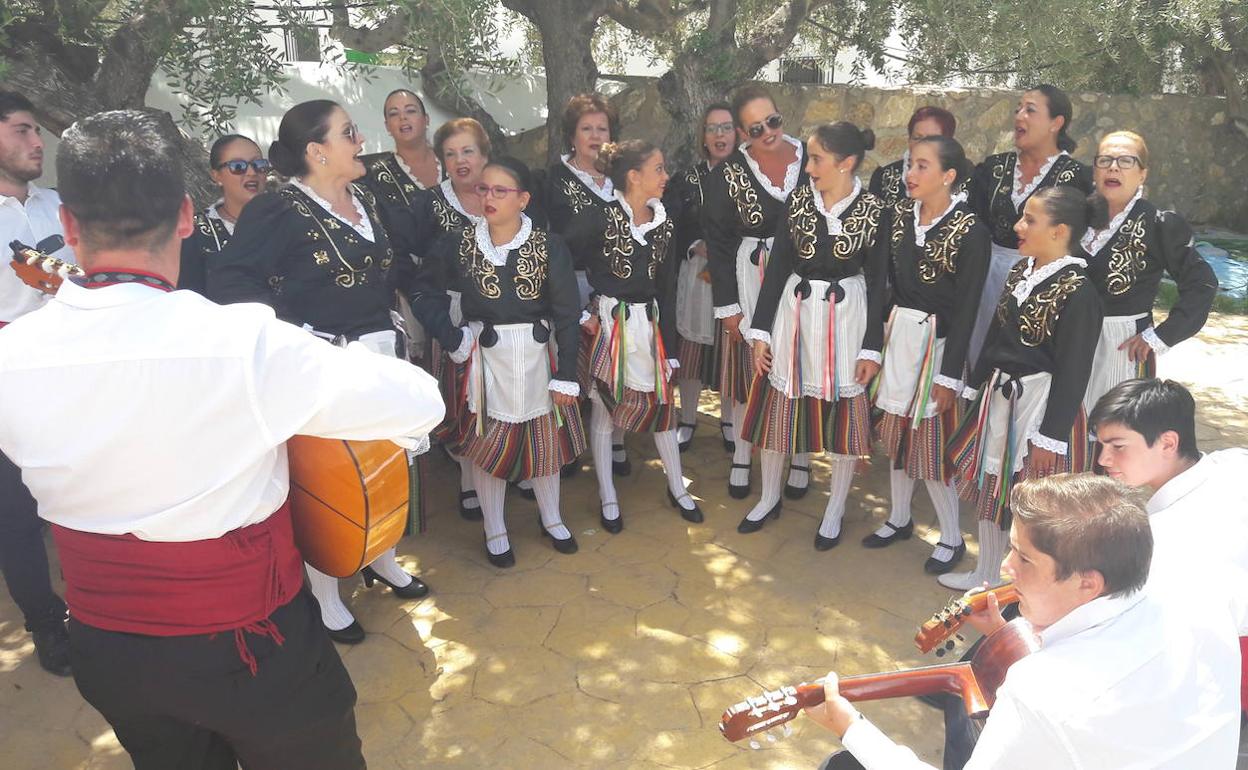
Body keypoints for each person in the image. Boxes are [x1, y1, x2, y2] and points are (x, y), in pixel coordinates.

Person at [0, 109, 445, 769]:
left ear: (67, 225)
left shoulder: (13, 357)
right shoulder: (245, 345)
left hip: (109, 652)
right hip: (253, 651)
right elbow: (421, 404)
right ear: (186, 216)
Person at [805, 474, 1242, 769]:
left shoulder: (1041, 694)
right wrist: (1004, 634)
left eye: (1025, 558)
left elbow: (1067, 695)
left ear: (1088, 584)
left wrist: (851, 728)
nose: (1007, 568)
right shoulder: (1199, 606)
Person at [208, 99, 433, 644]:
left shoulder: (366, 197)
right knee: (330, 479)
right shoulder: (279, 210)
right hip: (321, 369)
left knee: (382, 468)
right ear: (316, 150)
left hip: (379, 356)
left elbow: (391, 268)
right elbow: (232, 283)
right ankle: (326, 591)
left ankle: (381, 557)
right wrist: (295, 339)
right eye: (348, 133)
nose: (360, 140)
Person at [412, 157, 585, 567]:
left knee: (543, 441)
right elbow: (425, 291)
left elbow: (566, 314)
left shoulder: (547, 246)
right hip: (486, 359)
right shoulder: (459, 242)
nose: (488, 197)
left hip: (538, 358)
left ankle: (552, 517)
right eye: (483, 189)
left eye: (500, 191)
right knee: (487, 442)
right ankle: (495, 528)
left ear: (523, 199)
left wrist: (566, 376)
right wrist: (452, 336)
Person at [941, 186, 1104, 590]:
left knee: (1034, 504)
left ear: (1059, 231)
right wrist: (975, 386)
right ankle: (986, 574)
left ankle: (1026, 588)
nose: (1018, 226)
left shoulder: (1079, 292)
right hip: (1002, 397)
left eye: (1030, 219)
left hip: (1040, 407)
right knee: (991, 484)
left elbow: (1074, 370)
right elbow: (996, 337)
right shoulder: (1021, 271)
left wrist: (1051, 437)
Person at [740, 122, 888, 545]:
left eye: (817, 159)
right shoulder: (799, 201)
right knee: (779, 413)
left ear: (847, 163)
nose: (808, 168)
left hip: (847, 321)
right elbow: (778, 269)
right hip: (796, 314)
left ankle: (834, 510)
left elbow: (879, 283)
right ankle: (769, 497)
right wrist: (761, 332)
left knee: (843, 420)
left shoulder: (875, 210)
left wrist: (871, 348)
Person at [563, 140, 703, 531]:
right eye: (658, 168)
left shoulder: (665, 223)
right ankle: (608, 494)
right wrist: (577, 314)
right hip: (611, 324)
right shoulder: (598, 218)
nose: (665, 176)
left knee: (661, 406)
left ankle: (677, 485)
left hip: (650, 326)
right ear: (634, 176)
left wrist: (671, 349)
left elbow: (667, 286)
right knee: (608, 409)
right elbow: (557, 257)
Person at [865, 136, 989, 573]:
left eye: (921, 166)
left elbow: (970, 305)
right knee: (896, 433)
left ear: (948, 176)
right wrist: (873, 346)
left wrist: (949, 375)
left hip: (939, 347)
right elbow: (879, 284)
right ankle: (899, 518)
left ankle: (952, 537)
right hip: (899, 337)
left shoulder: (972, 230)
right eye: (908, 165)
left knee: (931, 444)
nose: (909, 175)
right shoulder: (897, 216)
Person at [1090, 377, 1248, 714]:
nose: (1103, 459)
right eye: (1102, 445)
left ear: (1167, 443)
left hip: (1224, 674)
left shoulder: (1160, 537)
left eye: (1118, 446)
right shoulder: (1236, 461)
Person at [703, 84, 812, 504]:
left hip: (801, 279)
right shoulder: (727, 173)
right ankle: (743, 455)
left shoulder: (809, 158)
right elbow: (719, 241)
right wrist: (728, 308)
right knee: (753, 367)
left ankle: (799, 454)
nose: (768, 132)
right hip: (751, 276)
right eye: (755, 128)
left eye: (773, 121)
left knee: (797, 361)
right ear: (743, 133)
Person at [0, 90, 74, 676]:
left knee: (88, 496)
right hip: (8, 391)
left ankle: (110, 605)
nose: (36, 142)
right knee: (17, 517)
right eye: (23, 130)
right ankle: (46, 623)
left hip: (76, 380)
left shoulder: (59, 205)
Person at [1078, 131, 1217, 416]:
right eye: (1105, 160)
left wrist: (1160, 336)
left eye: (1126, 161)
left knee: (1114, 432)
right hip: (1068, 342)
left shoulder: (1157, 224)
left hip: (1120, 349)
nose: (1113, 167)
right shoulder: (1076, 216)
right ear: (1095, 169)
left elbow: (1201, 283)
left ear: (1142, 174)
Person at [967, 85, 1092, 372]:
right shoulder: (993, 168)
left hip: (1045, 281)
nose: (1019, 116)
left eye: (1030, 110)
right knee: (978, 353)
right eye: (1018, 109)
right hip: (987, 276)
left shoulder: (1077, 178)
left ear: (1056, 123)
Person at [545, 92, 633, 476]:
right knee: (573, 366)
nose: (595, 136)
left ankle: (615, 440)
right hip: (572, 285)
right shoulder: (552, 180)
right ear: (571, 136)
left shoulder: (623, 177)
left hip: (619, 288)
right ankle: (569, 446)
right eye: (587, 129)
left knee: (615, 367)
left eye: (603, 128)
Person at [419, 117, 491, 520]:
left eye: (467, 151)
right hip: (456, 314)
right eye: (450, 154)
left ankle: (506, 467)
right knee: (465, 400)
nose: (460, 160)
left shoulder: (503, 191)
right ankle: (468, 479)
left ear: (483, 154)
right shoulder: (430, 204)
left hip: (506, 314)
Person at [663, 102, 737, 453]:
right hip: (696, 277)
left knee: (729, 353)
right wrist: (696, 244)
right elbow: (673, 224)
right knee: (691, 353)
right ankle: (688, 418)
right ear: (703, 137)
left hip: (738, 277)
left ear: (737, 133)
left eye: (726, 127)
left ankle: (729, 421)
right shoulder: (687, 180)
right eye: (712, 128)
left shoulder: (751, 178)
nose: (719, 135)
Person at [178, 133, 269, 293]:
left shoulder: (289, 220)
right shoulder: (195, 232)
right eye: (238, 167)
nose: (251, 173)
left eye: (258, 164)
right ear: (216, 175)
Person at [359, 88, 441, 207]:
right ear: (387, 126)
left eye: (410, 111)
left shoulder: (451, 161)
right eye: (393, 114)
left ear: (426, 119)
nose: (402, 117)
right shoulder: (376, 177)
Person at [868, 106, 957, 207]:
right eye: (917, 138)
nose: (923, 144)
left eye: (932, 139)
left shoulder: (968, 181)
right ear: (909, 139)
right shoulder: (884, 177)